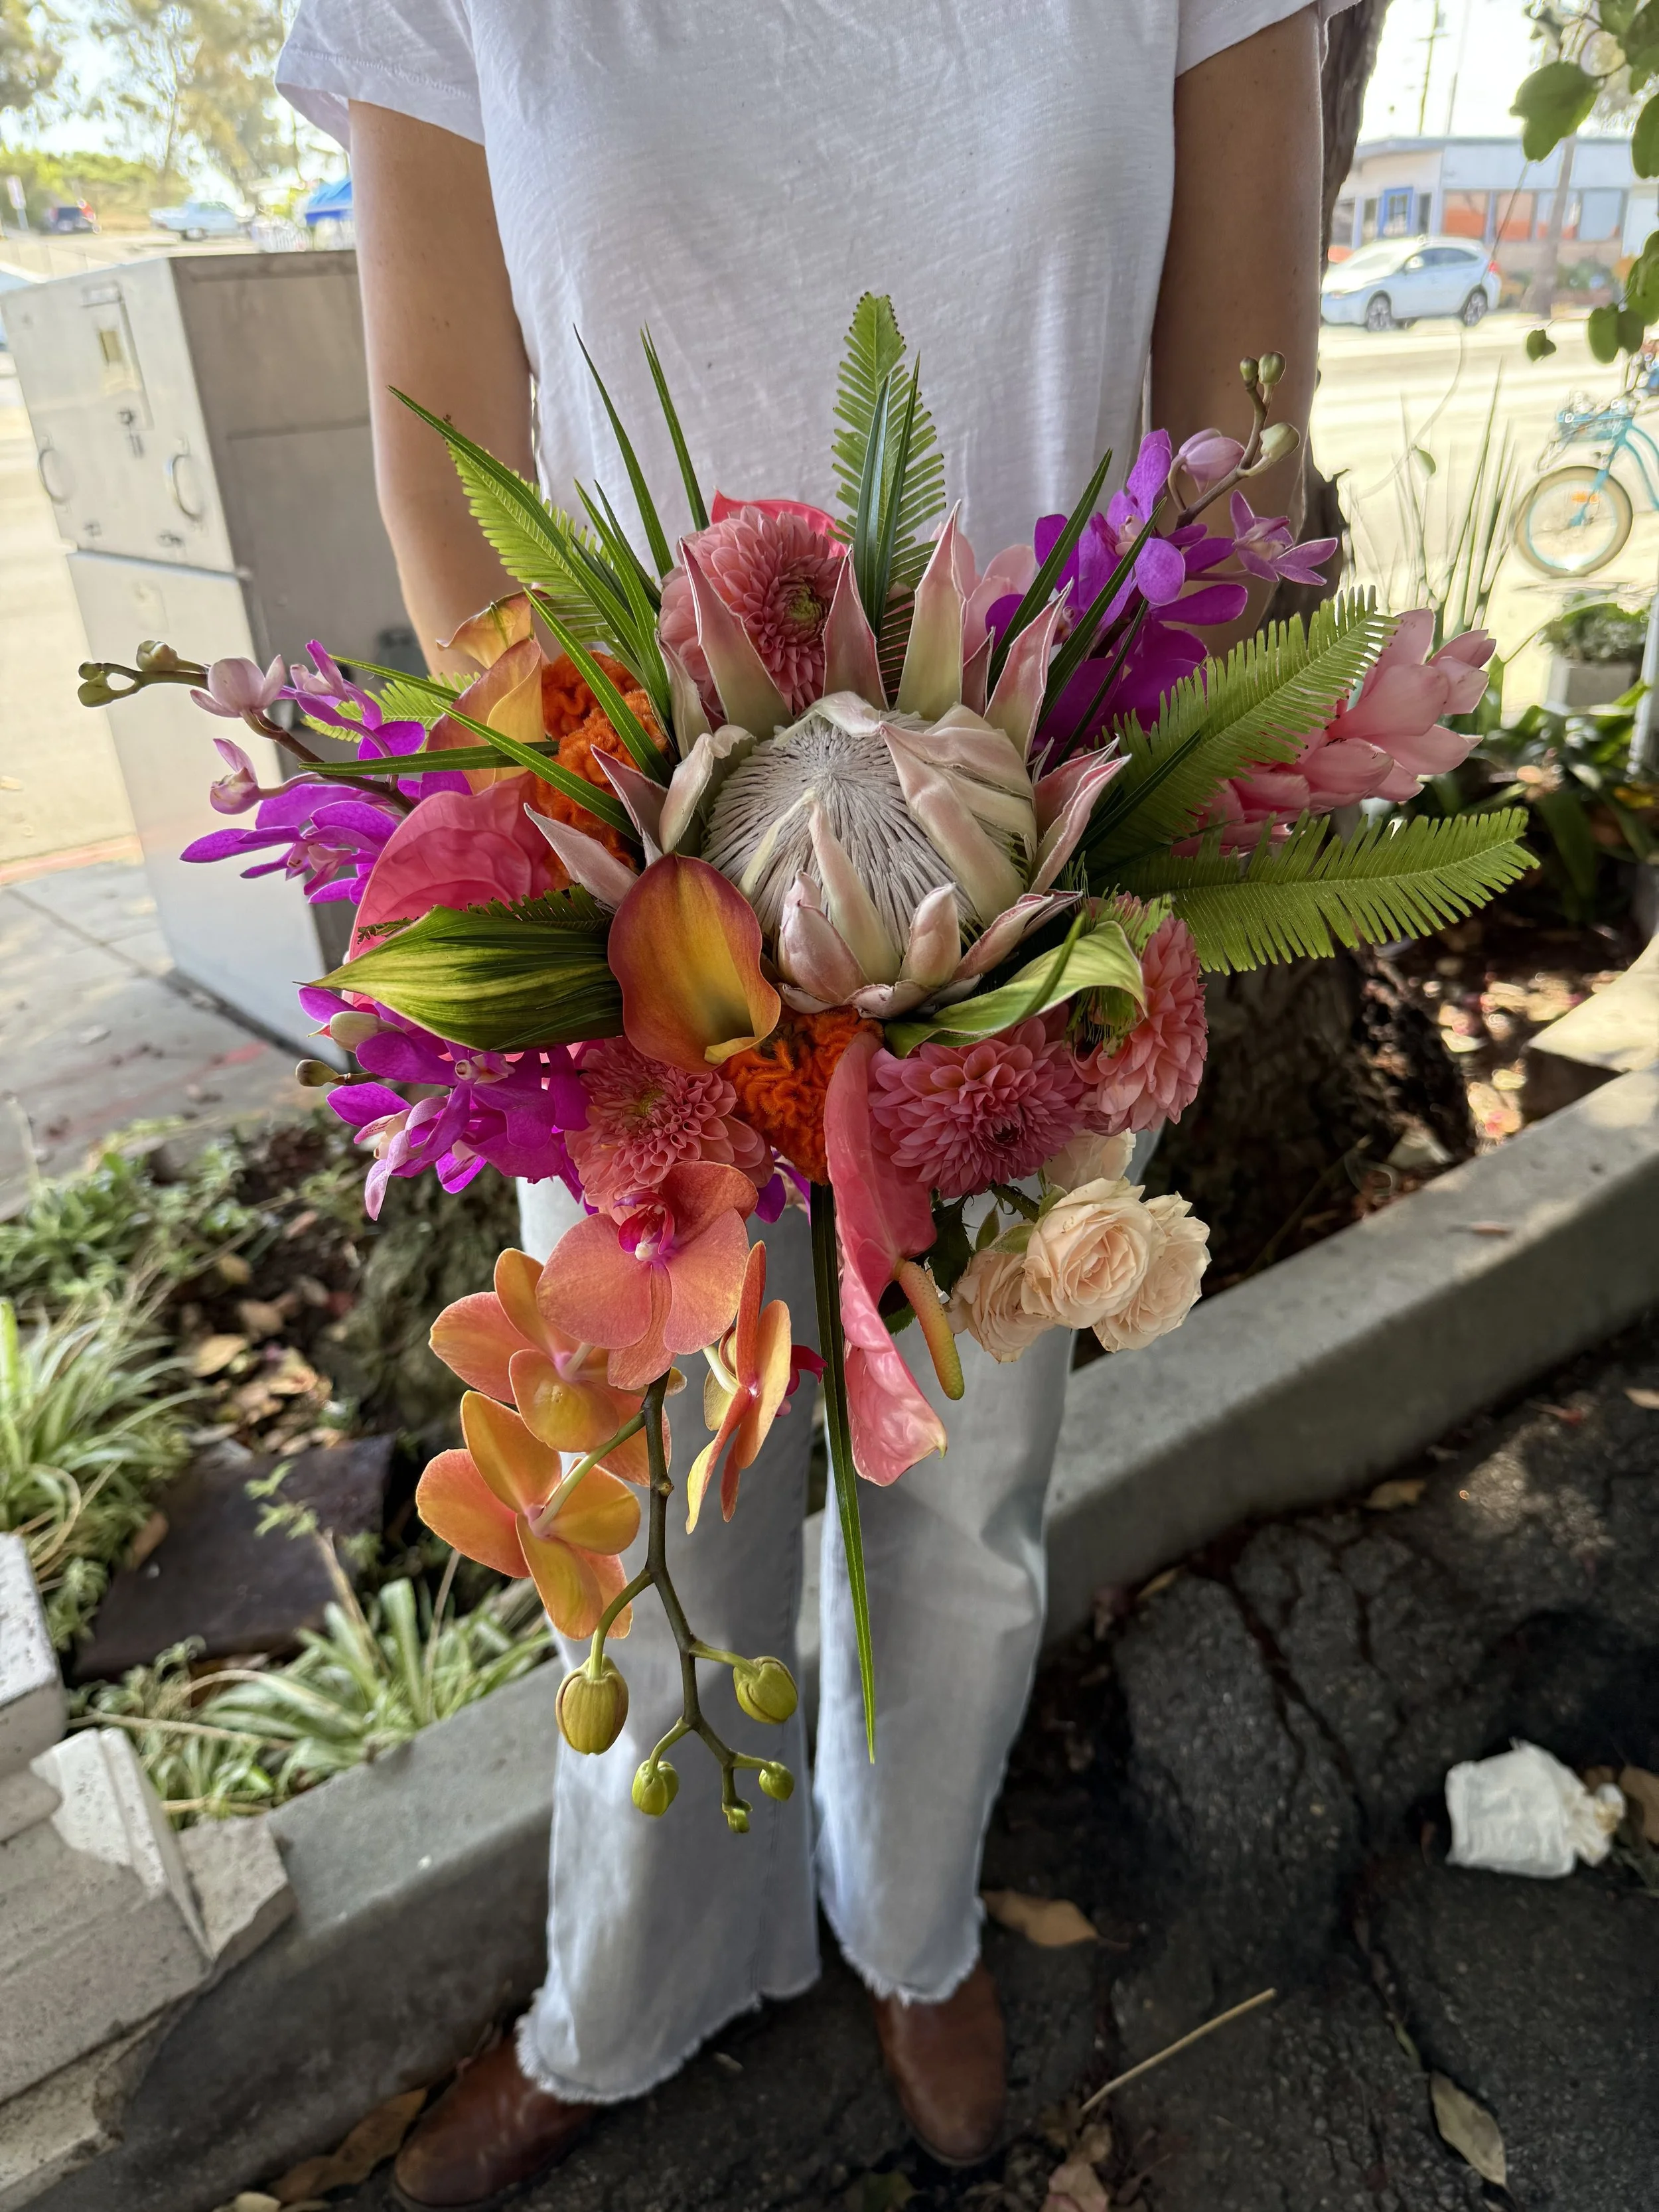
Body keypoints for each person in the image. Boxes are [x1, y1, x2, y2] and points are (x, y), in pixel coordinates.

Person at [275, 7, 1346, 2203]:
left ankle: (908, 1919)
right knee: (663, 1502)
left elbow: (1239, 405)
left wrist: (1097, 847)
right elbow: (443, 443)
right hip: (635, 917)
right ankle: (633, 1985)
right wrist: (605, 882)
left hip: (1034, 864)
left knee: (962, 1512)